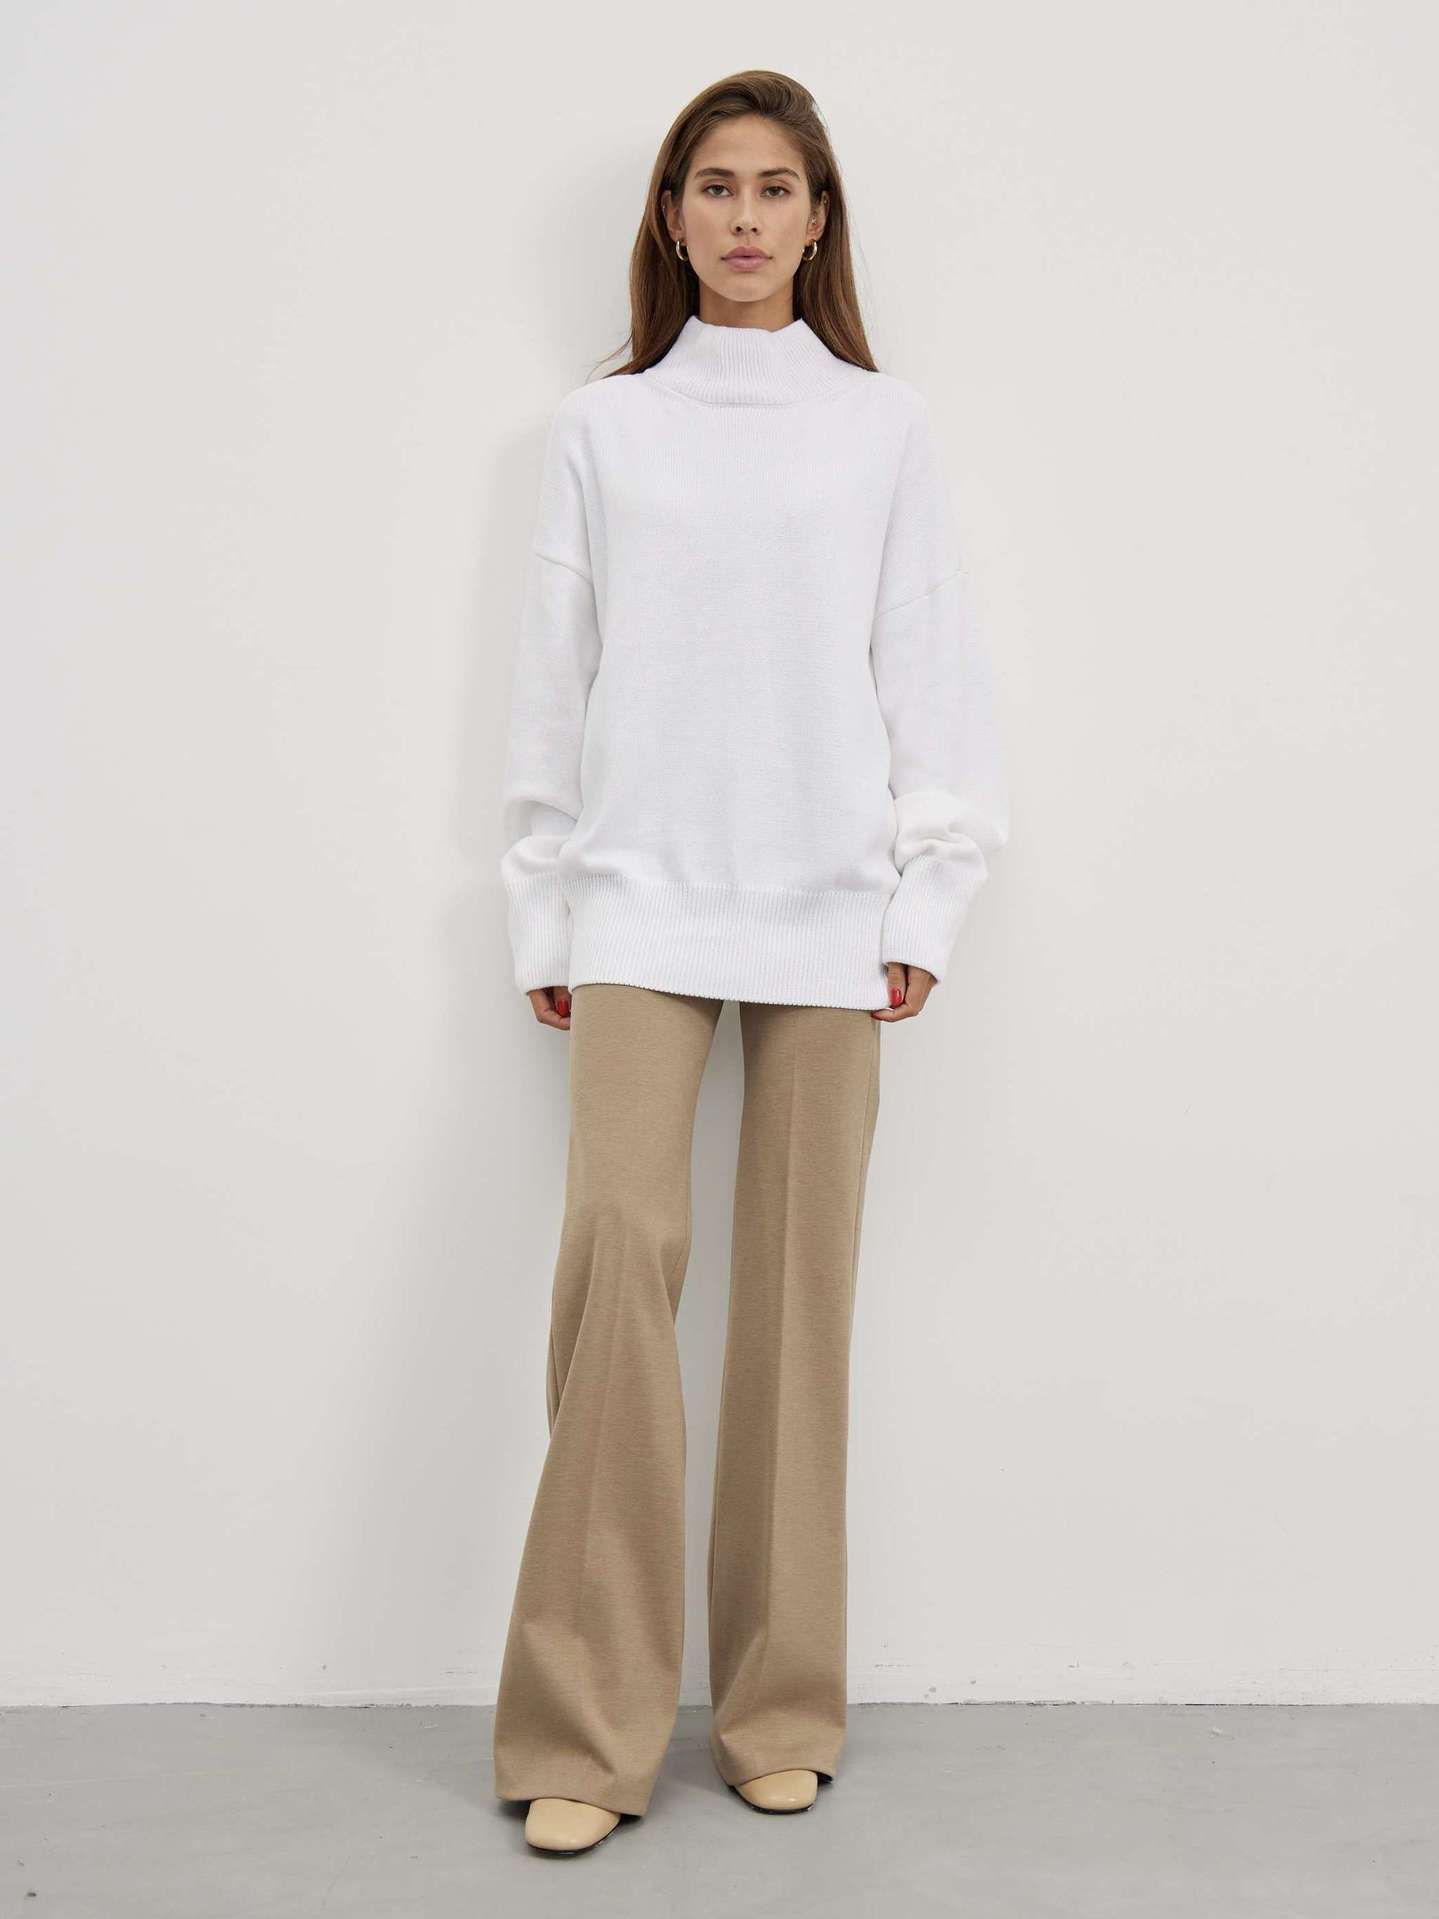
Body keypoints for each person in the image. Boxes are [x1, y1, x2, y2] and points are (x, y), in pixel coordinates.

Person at [491, 69, 1009, 1856]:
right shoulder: (604, 428)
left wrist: (927, 898)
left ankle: (781, 1708)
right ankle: (584, 1730)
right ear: (670, 213)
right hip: (639, 900)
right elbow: (553, 680)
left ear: (817, 219)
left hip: (829, 910)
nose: (743, 217)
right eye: (714, 185)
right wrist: (545, 904)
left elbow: (928, 664)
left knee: (798, 1307)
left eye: (776, 188)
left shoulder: (880, 426)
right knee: (617, 1271)